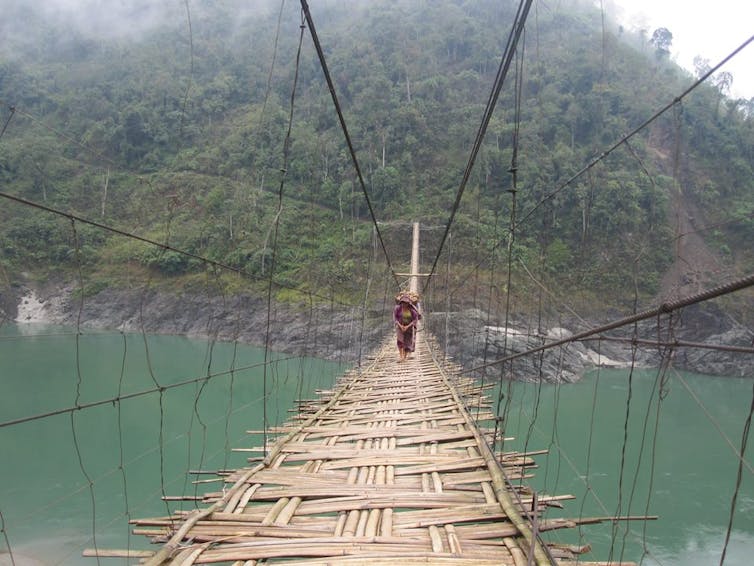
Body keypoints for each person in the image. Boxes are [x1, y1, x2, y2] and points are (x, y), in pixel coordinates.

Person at [393, 292, 420, 361]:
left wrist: (407, 326)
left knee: (407, 342)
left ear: (408, 303)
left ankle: (404, 357)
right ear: (401, 302)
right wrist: (400, 325)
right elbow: (395, 318)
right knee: (400, 340)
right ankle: (401, 356)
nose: (404, 304)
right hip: (400, 326)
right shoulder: (397, 309)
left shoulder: (412, 310)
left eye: (406, 303)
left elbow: (415, 320)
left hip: (409, 327)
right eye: (403, 302)